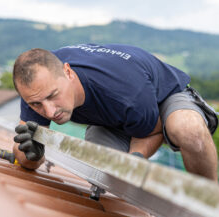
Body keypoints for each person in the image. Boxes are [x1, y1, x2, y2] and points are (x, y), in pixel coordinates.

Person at [12, 43, 218, 181]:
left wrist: (136, 158)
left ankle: (210, 209)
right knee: (101, 167)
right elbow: (25, 158)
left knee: (188, 131)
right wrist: (32, 155)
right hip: (118, 115)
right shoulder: (36, 88)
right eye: (36, 104)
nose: (48, 111)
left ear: (68, 73)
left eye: (53, 96)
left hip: (163, 96)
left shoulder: (123, 90)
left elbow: (152, 129)